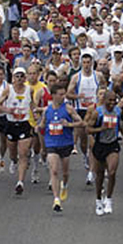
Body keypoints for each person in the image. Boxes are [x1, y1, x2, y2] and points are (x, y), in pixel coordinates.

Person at [38, 84, 84, 212]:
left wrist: (68, 124)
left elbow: (81, 122)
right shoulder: (47, 110)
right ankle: (56, 199)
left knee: (65, 172)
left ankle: (64, 185)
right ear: (53, 95)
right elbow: (42, 124)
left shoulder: (68, 109)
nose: (63, 96)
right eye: (60, 94)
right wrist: (39, 127)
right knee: (54, 170)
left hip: (65, 143)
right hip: (51, 143)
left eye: (64, 94)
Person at [0, 67, 35, 195]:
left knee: (23, 153)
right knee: (13, 152)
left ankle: (20, 182)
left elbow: (33, 105)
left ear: (25, 78)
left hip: (24, 123)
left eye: (21, 76)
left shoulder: (29, 90)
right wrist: (7, 110)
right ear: (13, 78)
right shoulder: (8, 89)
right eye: (17, 76)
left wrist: (36, 117)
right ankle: (13, 161)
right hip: (11, 124)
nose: (19, 79)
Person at [67, 53, 104, 184]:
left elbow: (104, 89)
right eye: (85, 62)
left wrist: (101, 101)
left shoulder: (98, 76)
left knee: (92, 141)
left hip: (95, 110)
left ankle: (92, 171)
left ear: (92, 63)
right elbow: (68, 93)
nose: (87, 65)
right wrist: (78, 96)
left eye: (89, 62)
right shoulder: (76, 77)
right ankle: (85, 156)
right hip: (81, 110)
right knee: (83, 140)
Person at [86, 90, 122, 216]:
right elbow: (88, 129)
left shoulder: (117, 111)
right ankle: (98, 200)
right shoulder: (98, 112)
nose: (112, 103)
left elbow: (121, 127)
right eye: (110, 100)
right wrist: (100, 128)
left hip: (112, 144)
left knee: (112, 171)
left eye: (114, 100)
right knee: (99, 175)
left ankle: (109, 198)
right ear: (104, 100)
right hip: (100, 145)